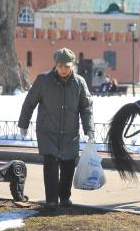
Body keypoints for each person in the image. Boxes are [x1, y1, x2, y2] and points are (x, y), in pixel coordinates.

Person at [18, 47, 94, 210]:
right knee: (51, 165)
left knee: (68, 166)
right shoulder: (43, 80)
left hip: (69, 133)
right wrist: (23, 123)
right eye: (60, 66)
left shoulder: (79, 83)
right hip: (48, 132)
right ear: (55, 65)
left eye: (67, 66)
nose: (63, 70)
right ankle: (51, 200)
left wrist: (89, 129)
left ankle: (64, 197)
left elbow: (86, 108)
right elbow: (29, 103)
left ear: (72, 65)